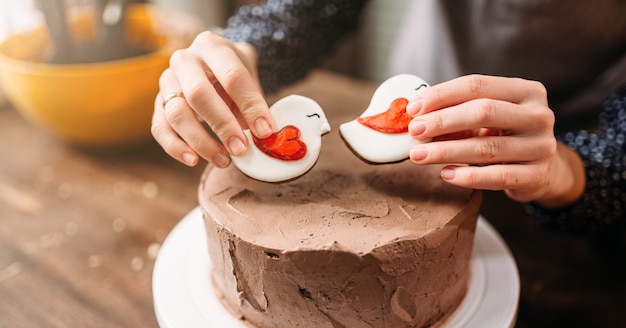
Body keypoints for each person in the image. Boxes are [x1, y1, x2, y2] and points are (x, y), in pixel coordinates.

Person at [151, 0, 626, 233]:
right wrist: (239, 52)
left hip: (590, 158)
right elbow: (312, 11)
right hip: (425, 137)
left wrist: (575, 172)